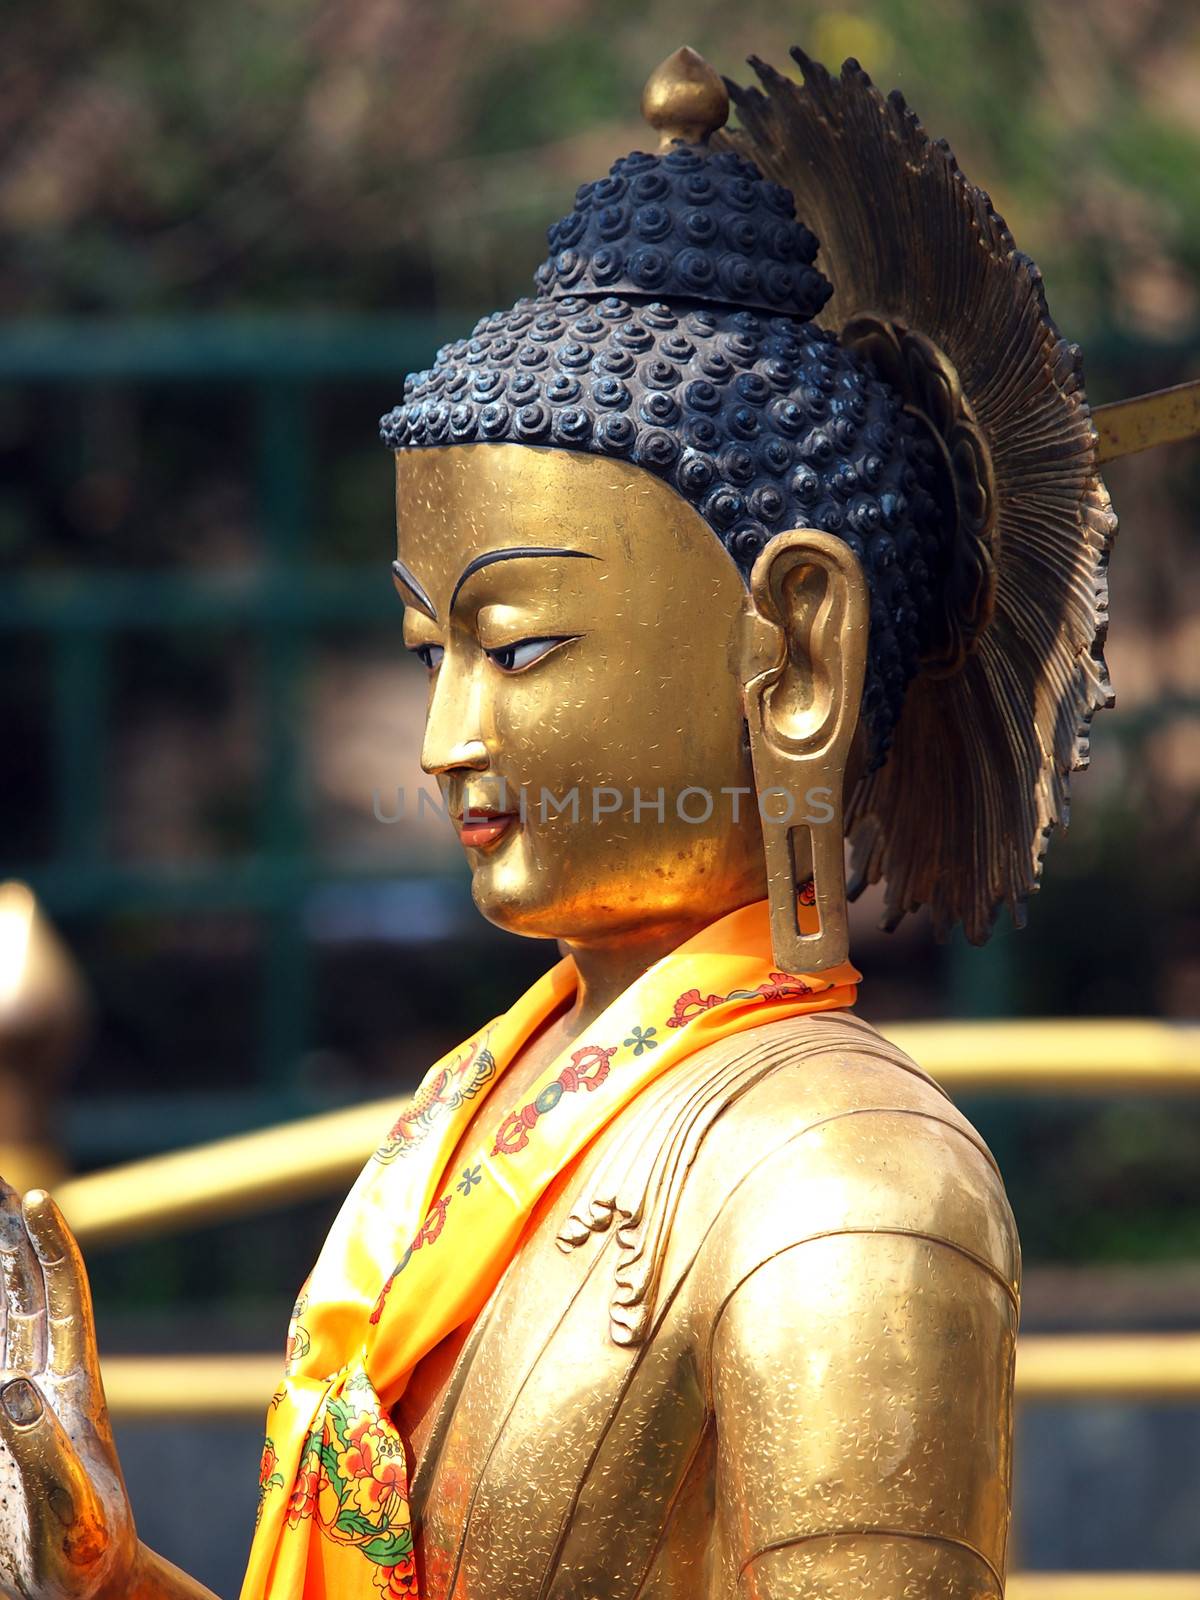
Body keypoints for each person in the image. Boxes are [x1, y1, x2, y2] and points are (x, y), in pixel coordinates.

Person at [1, 44, 1121, 1600]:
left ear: (796, 651)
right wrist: (105, 1572)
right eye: (428, 654)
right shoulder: (485, 1104)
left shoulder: (850, 1186)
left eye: (518, 648)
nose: (448, 742)